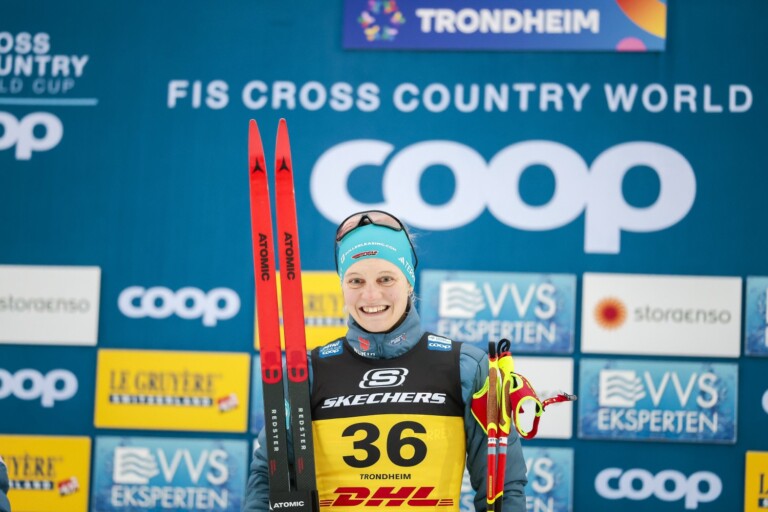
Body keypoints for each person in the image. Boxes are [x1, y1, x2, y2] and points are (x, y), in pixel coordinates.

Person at [244, 210, 527, 511]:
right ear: (342, 286)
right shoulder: (309, 373)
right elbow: (267, 478)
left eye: (386, 278)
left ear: (409, 282)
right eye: (355, 281)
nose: (370, 295)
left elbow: (504, 488)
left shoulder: (465, 368)